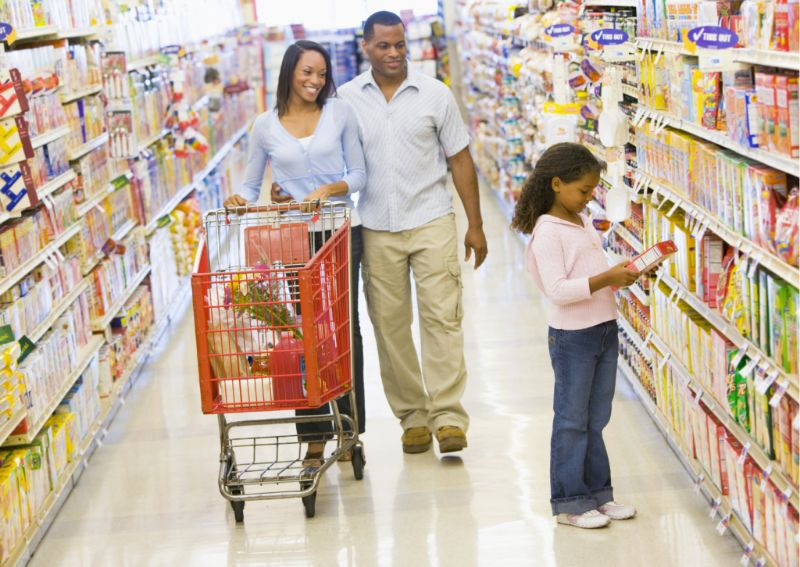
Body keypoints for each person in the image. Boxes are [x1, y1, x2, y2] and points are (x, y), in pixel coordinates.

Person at [338, 11, 488, 455]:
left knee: (443, 318)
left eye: (400, 44)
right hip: (377, 227)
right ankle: (413, 417)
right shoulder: (346, 100)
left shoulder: (434, 94)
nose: (394, 53)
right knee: (390, 326)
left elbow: (460, 159)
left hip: (432, 220)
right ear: (366, 46)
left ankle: (447, 417)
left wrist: (474, 225)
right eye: (383, 45)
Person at [225, 40, 366, 467]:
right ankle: (314, 435)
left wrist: (328, 190)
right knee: (302, 330)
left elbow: (359, 174)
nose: (315, 81)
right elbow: (251, 186)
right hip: (291, 238)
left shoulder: (340, 113)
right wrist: (239, 200)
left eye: (322, 74)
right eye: (307, 72)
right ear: (289, 72)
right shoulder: (264, 126)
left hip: (340, 231)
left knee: (343, 327)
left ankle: (349, 426)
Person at [511, 143, 641, 529]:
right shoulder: (548, 232)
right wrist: (608, 277)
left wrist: (620, 275)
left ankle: (599, 495)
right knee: (571, 420)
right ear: (556, 184)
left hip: (602, 329)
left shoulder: (579, 222)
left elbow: (588, 276)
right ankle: (569, 502)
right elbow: (559, 290)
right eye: (583, 191)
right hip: (573, 339)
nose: (589, 198)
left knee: (596, 418)